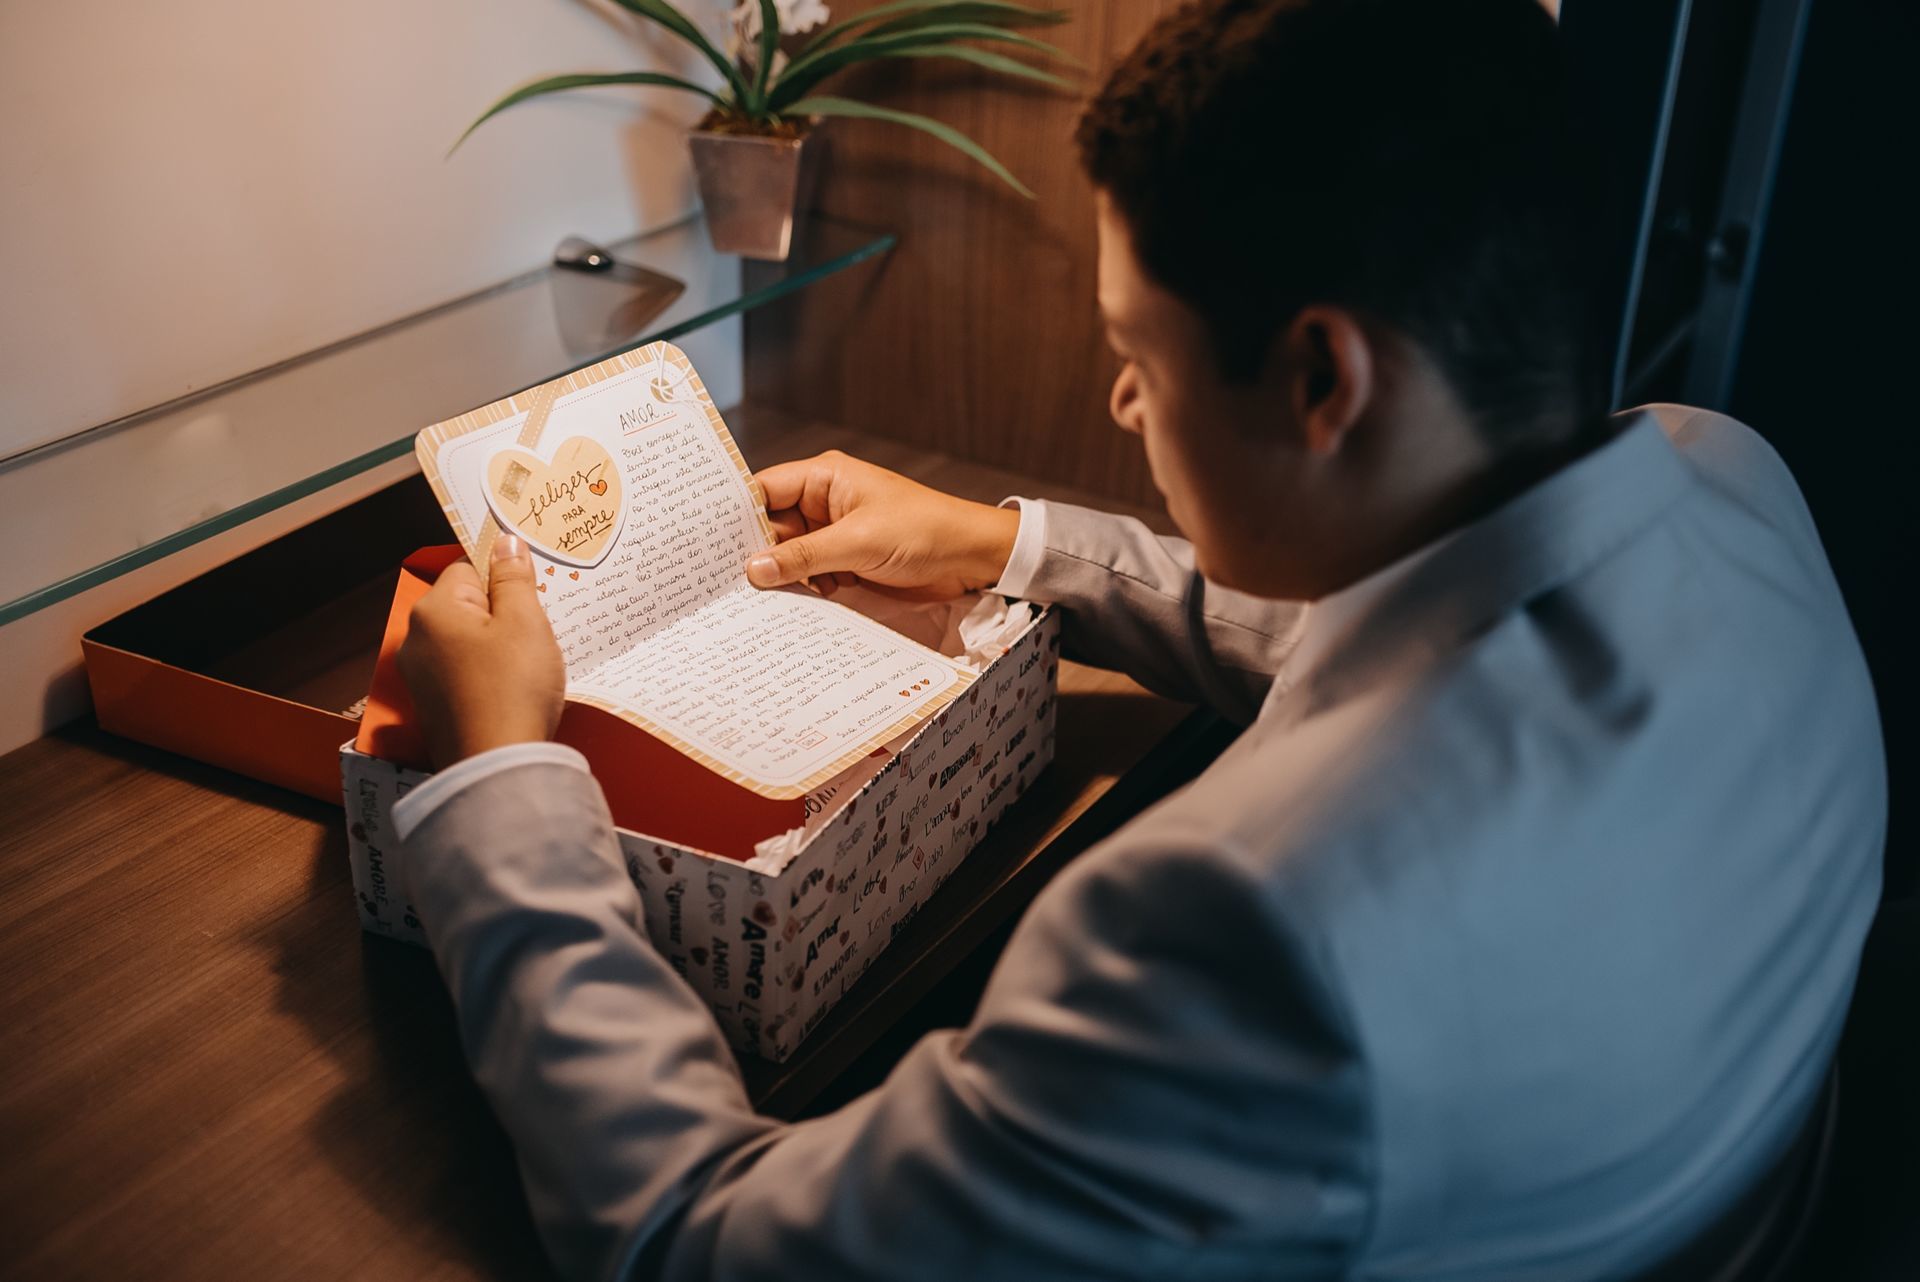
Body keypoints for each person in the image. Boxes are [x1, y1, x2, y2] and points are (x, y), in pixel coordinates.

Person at [392, 0, 1886, 1277]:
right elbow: (1415, 635)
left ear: (1319, 378)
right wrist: (1006, 542)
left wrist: (505, 775)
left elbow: (692, 1237)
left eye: (1134, 355)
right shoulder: (1727, 476)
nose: (1121, 406)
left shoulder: (1244, 929)